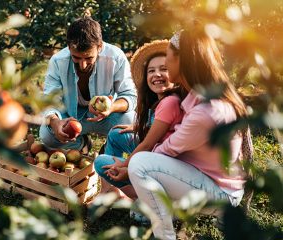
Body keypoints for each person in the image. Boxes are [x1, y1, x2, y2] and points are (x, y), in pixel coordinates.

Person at [105, 28, 249, 239]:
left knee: (141, 164)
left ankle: (165, 235)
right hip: (206, 177)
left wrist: (127, 168)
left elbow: (164, 151)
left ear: (182, 62)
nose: (166, 65)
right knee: (141, 161)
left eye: (169, 59)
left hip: (220, 194)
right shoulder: (199, 96)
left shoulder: (206, 111)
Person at [94, 40, 185, 200]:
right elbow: (161, 127)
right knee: (116, 134)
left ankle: (140, 197)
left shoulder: (169, 102)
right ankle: (111, 191)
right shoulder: (161, 100)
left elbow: (148, 144)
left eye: (164, 69)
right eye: (151, 71)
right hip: (156, 154)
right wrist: (137, 127)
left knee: (101, 162)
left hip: (160, 162)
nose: (156, 74)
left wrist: (124, 165)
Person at [39, 16, 137, 151]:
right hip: (71, 117)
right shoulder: (58, 61)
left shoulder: (115, 57)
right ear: (68, 48)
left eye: (89, 58)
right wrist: (55, 122)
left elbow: (130, 95)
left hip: (107, 117)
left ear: (100, 47)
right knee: (47, 135)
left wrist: (111, 107)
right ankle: (82, 144)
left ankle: (109, 147)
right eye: (76, 58)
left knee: (132, 123)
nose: (83, 65)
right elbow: (49, 99)